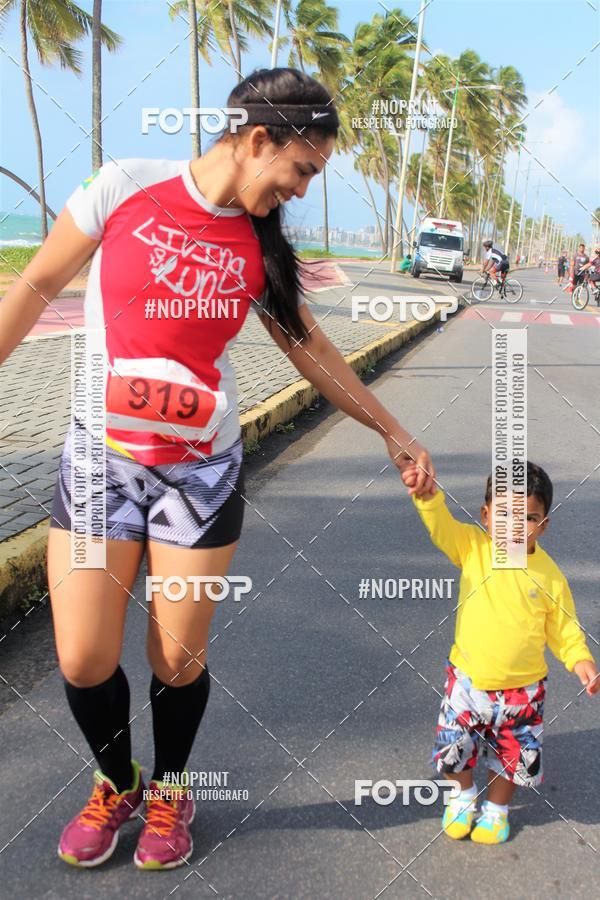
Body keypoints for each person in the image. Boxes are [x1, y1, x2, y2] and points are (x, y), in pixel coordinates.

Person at [0, 67, 436, 870]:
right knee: (83, 658)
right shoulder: (125, 185)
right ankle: (116, 780)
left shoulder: (260, 241)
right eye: (302, 169)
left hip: (198, 480)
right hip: (100, 465)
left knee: (175, 658)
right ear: (258, 138)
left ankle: (169, 791)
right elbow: (34, 283)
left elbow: (309, 348)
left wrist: (393, 431)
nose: (303, 189)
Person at [402, 461, 598, 844]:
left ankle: (496, 809)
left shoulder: (550, 576)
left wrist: (581, 660)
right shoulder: (472, 548)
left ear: (543, 525)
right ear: (486, 516)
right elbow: (441, 528)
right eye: (505, 514)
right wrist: (428, 498)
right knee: (453, 751)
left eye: (529, 517)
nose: (514, 526)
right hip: (467, 682)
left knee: (512, 759)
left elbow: (563, 628)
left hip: (523, 692)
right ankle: (461, 794)